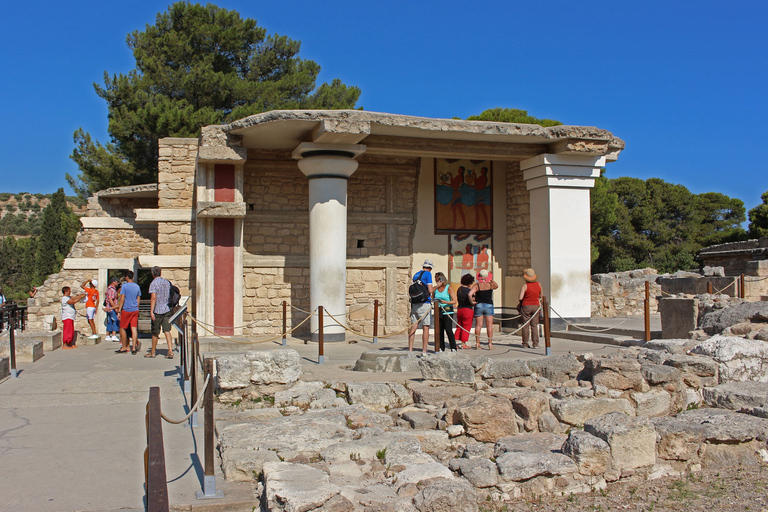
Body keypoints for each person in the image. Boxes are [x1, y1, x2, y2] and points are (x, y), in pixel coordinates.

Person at [408, 260, 439, 356]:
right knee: (426, 327)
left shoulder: (416, 274)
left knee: (413, 326)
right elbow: (430, 290)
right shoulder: (428, 274)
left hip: (415, 303)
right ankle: (424, 351)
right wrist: (438, 286)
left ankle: (410, 350)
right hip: (424, 303)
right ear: (430, 268)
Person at [146, 266, 174, 359]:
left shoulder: (154, 283)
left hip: (158, 309)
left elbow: (153, 297)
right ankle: (170, 350)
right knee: (167, 330)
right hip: (167, 308)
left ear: (153, 273)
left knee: (155, 331)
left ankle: (153, 351)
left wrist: (151, 311)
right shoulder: (167, 282)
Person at [469, 269, 498, 350]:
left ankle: (477, 343)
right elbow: (496, 286)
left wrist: (472, 302)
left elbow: (470, 294)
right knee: (489, 325)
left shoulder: (477, 285)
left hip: (479, 305)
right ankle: (490, 343)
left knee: (478, 325)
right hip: (489, 305)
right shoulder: (490, 284)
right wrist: (491, 280)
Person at [116, 270, 141, 354]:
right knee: (134, 328)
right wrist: (136, 306)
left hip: (127, 309)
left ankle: (124, 346)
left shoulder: (124, 286)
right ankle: (133, 347)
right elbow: (138, 299)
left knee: (122, 328)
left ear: (127, 277)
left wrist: (119, 310)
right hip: (135, 309)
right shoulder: (137, 286)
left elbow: (122, 299)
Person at [433, 272, 458, 353]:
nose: (438, 282)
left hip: (447, 311)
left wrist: (444, 301)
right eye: (437, 281)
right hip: (438, 311)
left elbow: (454, 301)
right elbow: (432, 297)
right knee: (439, 330)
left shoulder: (448, 288)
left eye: (439, 280)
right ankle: (441, 347)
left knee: (448, 329)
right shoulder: (436, 289)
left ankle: (453, 347)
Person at [518, 268, 542, 348]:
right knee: (534, 325)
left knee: (525, 325)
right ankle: (535, 344)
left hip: (526, 306)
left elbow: (520, 298)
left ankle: (525, 343)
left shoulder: (525, 286)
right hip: (536, 306)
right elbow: (541, 296)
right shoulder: (539, 285)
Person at [454, 273, 475, 349]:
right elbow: (472, 300)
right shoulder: (469, 291)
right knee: (466, 326)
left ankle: (455, 342)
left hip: (460, 309)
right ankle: (463, 343)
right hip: (467, 309)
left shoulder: (459, 289)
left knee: (459, 326)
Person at [103, 277, 120, 342]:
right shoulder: (112, 290)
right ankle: (113, 335)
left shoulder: (108, 289)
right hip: (111, 308)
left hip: (108, 308)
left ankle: (108, 335)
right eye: (117, 282)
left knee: (110, 321)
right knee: (115, 320)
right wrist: (115, 308)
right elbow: (111, 300)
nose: (118, 283)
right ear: (113, 282)